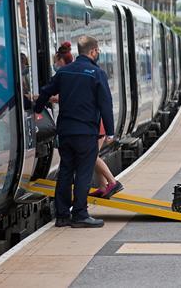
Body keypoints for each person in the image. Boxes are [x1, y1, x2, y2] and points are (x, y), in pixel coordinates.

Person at [35, 36, 114, 228]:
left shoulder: (64, 72)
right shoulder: (96, 73)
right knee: (84, 173)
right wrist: (110, 132)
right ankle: (80, 214)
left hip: (65, 132)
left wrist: (37, 109)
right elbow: (105, 105)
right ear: (93, 51)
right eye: (98, 52)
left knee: (65, 172)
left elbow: (46, 91)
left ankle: (62, 216)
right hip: (86, 132)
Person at [50, 42, 123, 199]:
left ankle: (113, 182)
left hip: (96, 125)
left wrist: (41, 98)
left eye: (56, 62)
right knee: (93, 155)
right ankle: (104, 186)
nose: (55, 65)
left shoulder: (71, 73)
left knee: (92, 157)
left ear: (62, 61)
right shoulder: (79, 70)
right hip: (95, 123)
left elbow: (65, 97)